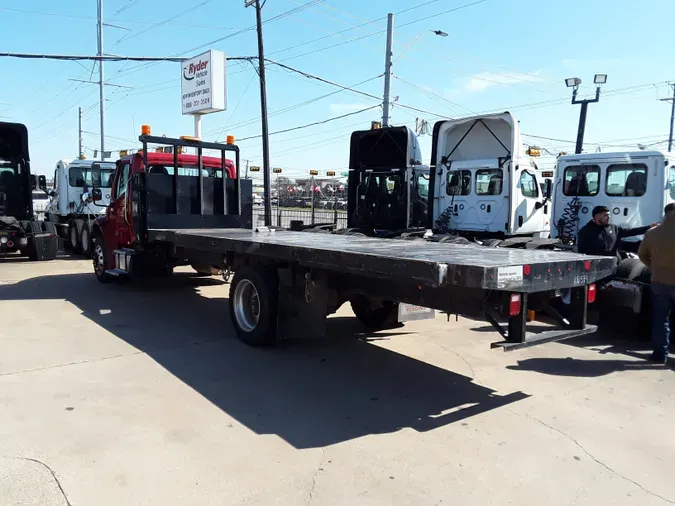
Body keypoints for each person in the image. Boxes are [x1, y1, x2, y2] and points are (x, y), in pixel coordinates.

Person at [637, 203, 675, 365]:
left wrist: (653, 266)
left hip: (660, 281)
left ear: (665, 214)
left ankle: (660, 354)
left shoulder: (652, 233)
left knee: (661, 319)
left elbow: (642, 255)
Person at [577, 205, 656, 262]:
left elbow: (631, 231)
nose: (609, 217)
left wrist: (649, 227)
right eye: (606, 215)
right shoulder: (586, 231)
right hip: (597, 265)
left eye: (609, 215)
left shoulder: (614, 228)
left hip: (614, 262)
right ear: (597, 216)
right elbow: (582, 252)